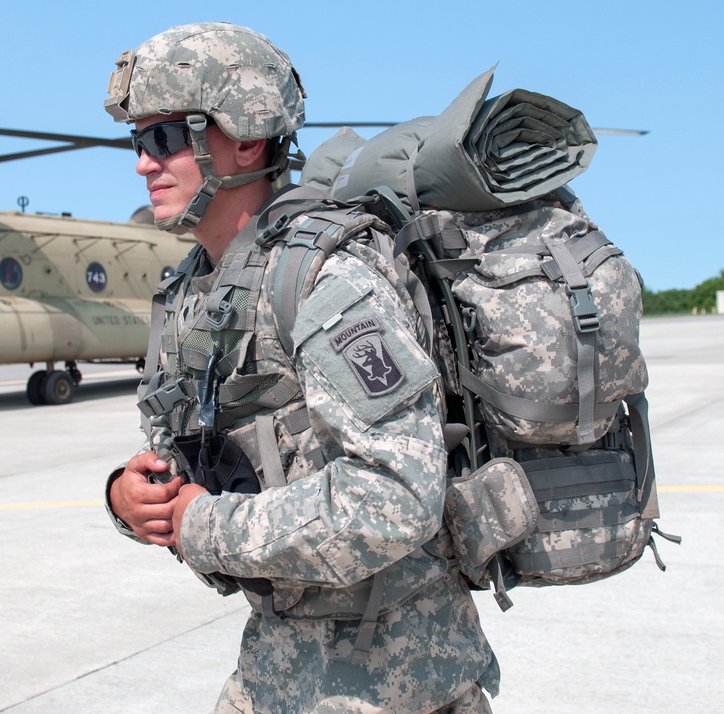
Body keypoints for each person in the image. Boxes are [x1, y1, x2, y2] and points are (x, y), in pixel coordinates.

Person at [102, 22, 499, 713]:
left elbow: (397, 495)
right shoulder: (193, 291)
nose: (144, 162)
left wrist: (205, 527)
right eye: (138, 140)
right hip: (278, 668)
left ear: (247, 136)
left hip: (400, 683)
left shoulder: (327, 278)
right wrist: (130, 498)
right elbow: (181, 453)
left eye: (164, 137)